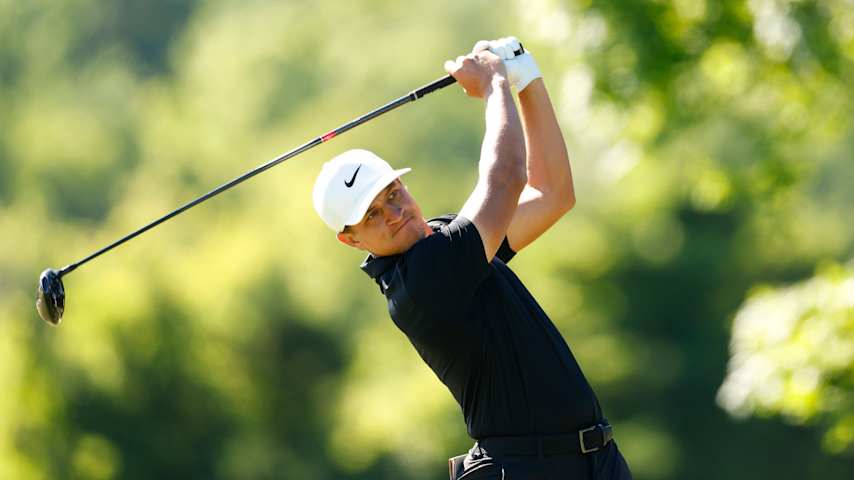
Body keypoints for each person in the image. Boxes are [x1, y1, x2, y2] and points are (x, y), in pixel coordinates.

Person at [312, 37, 633, 480]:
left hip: (591, 462)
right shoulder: (422, 282)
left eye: (393, 193)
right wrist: (494, 82)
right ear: (351, 241)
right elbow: (505, 178)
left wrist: (525, 77)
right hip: (528, 470)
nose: (395, 212)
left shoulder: (445, 243)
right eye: (372, 215)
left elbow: (553, 194)